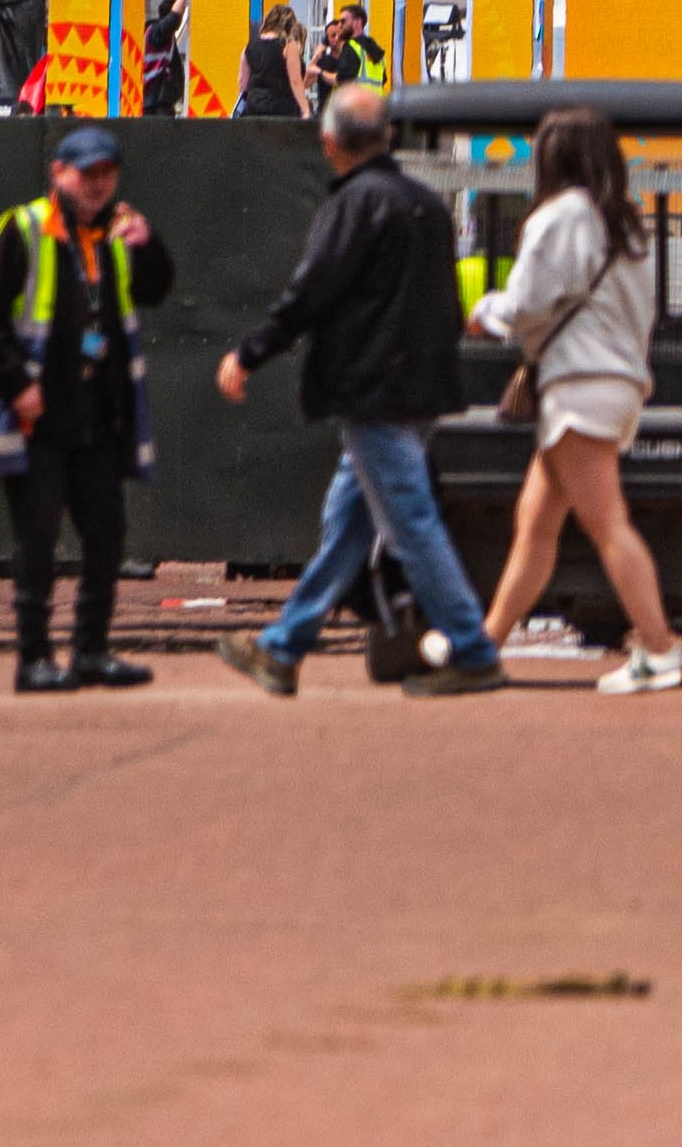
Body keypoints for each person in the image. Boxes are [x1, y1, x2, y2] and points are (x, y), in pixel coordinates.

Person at [212, 79, 510, 698]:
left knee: (411, 522)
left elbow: (312, 290)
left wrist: (251, 351)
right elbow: (445, 308)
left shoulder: (352, 205)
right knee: (347, 524)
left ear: (329, 143)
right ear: (388, 137)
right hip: (422, 391)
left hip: (372, 392)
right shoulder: (425, 205)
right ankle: (283, 647)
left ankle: (473, 649)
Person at [472, 105, 682, 689]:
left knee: (606, 523)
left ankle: (660, 650)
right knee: (536, 522)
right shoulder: (628, 224)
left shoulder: (559, 216)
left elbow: (524, 305)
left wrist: (483, 311)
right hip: (616, 382)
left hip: (579, 384)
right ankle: (483, 646)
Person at [0, 127, 171, 689]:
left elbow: (156, 289)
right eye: (87, 174)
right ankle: (34, 658)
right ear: (59, 174)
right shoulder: (26, 230)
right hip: (39, 418)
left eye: (107, 174)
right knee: (36, 542)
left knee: (106, 537)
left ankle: (91, 651)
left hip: (98, 415)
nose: (97, 184)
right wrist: (17, 384)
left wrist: (148, 245)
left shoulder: (117, 234)